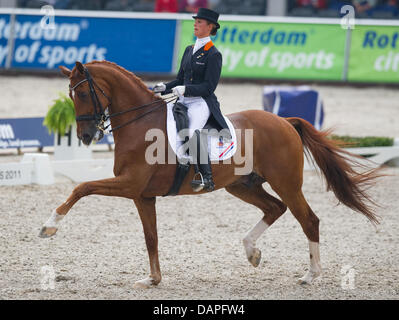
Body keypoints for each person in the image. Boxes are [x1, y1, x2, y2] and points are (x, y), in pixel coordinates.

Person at [153, 7, 228, 192]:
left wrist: (186, 89)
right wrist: (165, 87)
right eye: (195, 21)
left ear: (210, 27)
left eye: (200, 22)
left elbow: (209, 87)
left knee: (192, 132)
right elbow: (180, 79)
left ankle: (206, 177)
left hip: (201, 103)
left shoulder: (213, 54)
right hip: (183, 100)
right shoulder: (189, 50)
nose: (195, 24)